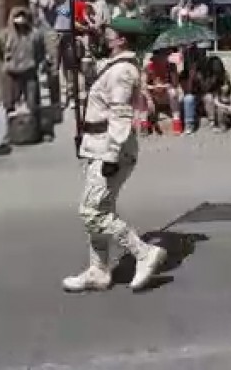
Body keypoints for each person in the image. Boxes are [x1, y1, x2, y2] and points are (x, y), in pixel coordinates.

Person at [63, 16, 166, 293]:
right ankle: (98, 269)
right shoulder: (116, 65)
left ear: (121, 38)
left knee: (91, 212)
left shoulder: (122, 71)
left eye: (109, 31)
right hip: (98, 143)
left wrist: (110, 156)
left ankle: (143, 252)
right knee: (100, 209)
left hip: (111, 149)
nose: (105, 34)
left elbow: (121, 114)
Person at [0, 7, 45, 115]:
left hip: (29, 72)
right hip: (12, 73)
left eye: (23, 16)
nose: (20, 20)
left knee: (33, 105)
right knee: (10, 105)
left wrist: (35, 64)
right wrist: (7, 64)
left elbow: (40, 52)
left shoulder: (35, 34)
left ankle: (34, 126)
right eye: (17, 16)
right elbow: (0, 52)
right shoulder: (5, 35)